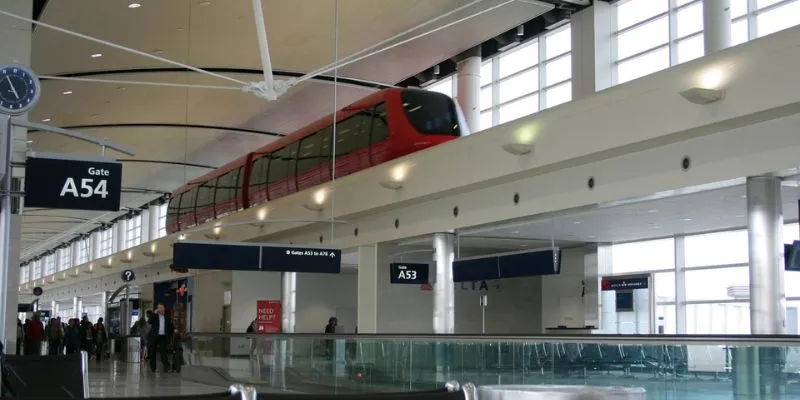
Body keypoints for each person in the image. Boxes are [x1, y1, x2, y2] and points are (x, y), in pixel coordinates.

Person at [147, 304, 174, 373]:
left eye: (161, 308)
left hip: (163, 336)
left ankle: (166, 367)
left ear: (164, 309)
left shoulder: (167, 317)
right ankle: (153, 368)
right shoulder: (155, 316)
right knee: (153, 352)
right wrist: (154, 313)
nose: (160, 309)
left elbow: (170, 327)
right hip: (154, 336)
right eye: (159, 308)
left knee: (163, 352)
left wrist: (170, 334)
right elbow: (149, 321)